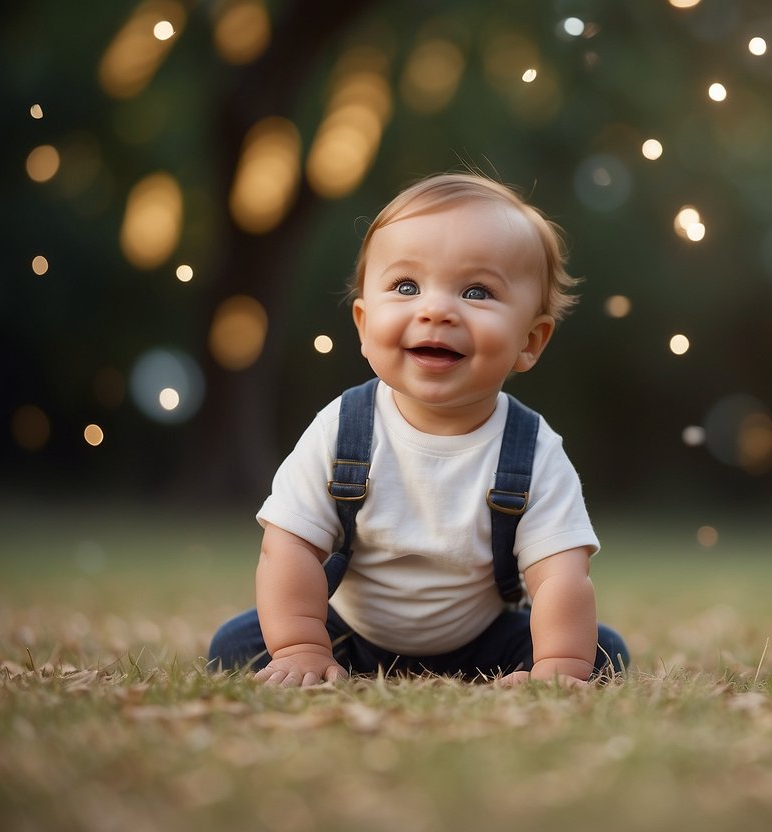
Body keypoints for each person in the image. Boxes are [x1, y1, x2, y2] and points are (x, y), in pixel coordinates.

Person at [208, 172, 629, 688]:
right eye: (406, 286)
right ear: (363, 325)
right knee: (234, 647)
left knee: (602, 652)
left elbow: (561, 575)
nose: (435, 310)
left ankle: (527, 672)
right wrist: (300, 646)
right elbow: (289, 547)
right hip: (349, 635)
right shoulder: (341, 430)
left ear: (530, 341)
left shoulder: (533, 449)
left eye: (477, 291)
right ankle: (316, 659)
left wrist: (557, 668)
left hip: (483, 643)